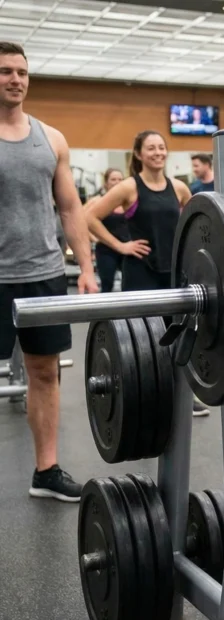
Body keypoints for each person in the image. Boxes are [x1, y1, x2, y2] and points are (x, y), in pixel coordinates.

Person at [0, 41, 99, 501]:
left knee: (45, 373)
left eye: (22, 72)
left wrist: (86, 267)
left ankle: (46, 470)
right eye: (5, 71)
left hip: (43, 274)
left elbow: (70, 207)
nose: (15, 79)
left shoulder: (51, 138)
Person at [85, 130, 209, 416]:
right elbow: (89, 217)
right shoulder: (129, 187)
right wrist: (121, 246)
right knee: (142, 340)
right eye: (151, 148)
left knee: (177, 335)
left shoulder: (179, 188)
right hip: (141, 272)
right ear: (139, 154)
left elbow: (197, 220)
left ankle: (181, 398)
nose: (157, 153)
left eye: (161, 147)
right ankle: (144, 398)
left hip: (173, 273)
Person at [85, 168, 126, 292]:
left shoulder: (128, 201)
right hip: (106, 249)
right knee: (107, 284)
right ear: (106, 183)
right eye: (113, 179)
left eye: (120, 179)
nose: (117, 182)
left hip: (127, 248)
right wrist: (93, 238)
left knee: (130, 285)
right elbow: (79, 220)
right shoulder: (97, 201)